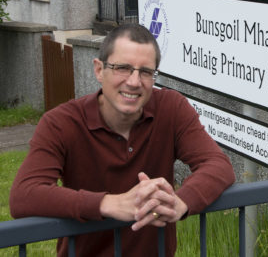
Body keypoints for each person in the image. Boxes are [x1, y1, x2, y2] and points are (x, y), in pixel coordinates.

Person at [9, 23, 235, 256]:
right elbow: (24, 194)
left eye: (146, 72)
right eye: (123, 68)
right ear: (99, 70)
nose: (135, 81)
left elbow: (218, 165)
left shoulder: (171, 108)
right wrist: (109, 204)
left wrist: (181, 202)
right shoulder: (61, 123)